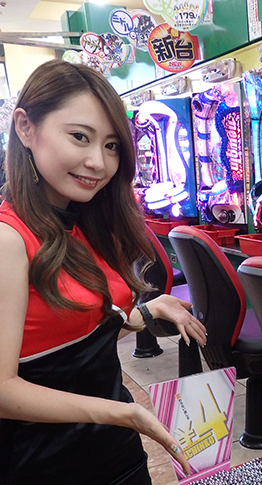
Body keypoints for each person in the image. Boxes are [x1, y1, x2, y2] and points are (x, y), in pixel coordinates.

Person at [0, 60, 207, 484]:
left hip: (117, 449)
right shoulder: (9, 239)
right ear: (25, 128)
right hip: (45, 463)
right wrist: (124, 413)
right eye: (80, 137)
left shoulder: (83, 222)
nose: (98, 161)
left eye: (112, 145)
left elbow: (73, 336)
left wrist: (147, 312)